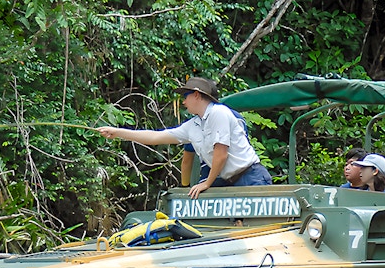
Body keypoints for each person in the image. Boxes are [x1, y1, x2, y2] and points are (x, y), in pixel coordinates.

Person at [97, 76, 271, 199]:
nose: (183, 102)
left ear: (197, 95)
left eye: (185, 97)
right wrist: (117, 132)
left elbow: (221, 154)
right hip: (228, 181)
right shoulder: (193, 125)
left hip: (251, 177)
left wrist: (206, 183)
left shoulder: (219, 112)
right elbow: (155, 137)